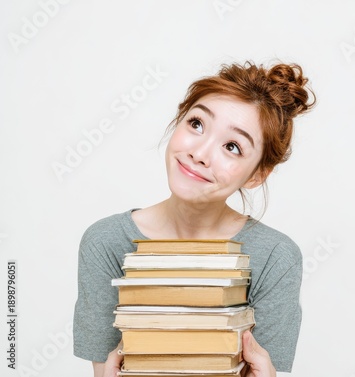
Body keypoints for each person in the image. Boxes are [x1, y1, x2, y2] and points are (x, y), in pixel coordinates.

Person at [73, 61, 315, 377]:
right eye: (197, 124)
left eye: (232, 146)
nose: (199, 153)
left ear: (257, 175)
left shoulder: (275, 256)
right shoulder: (106, 242)